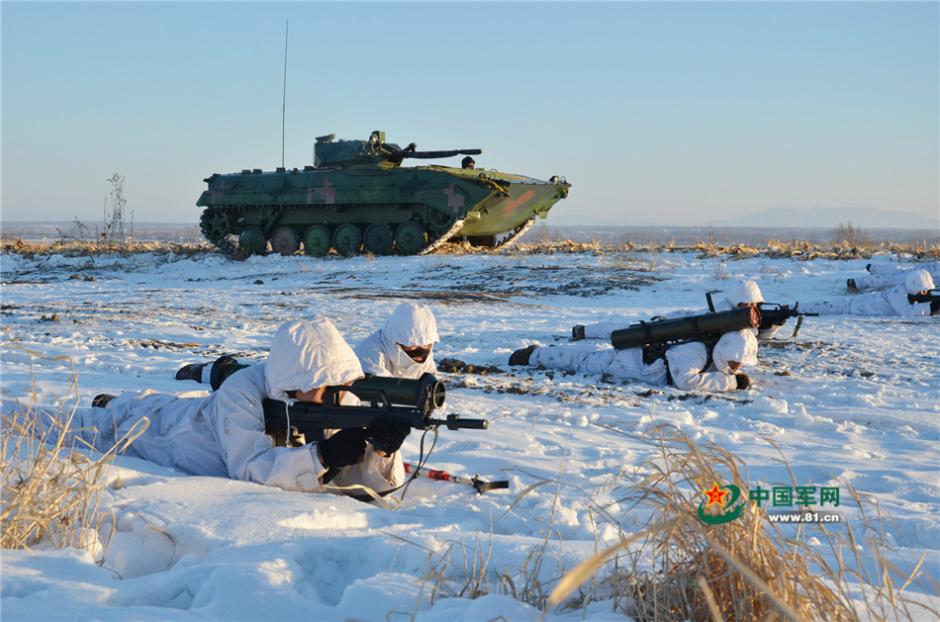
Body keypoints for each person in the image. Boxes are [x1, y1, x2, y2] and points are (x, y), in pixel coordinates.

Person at [70, 318, 408, 494]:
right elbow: (248, 468)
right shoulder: (242, 390)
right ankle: (112, 404)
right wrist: (322, 456)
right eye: (326, 387)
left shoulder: (331, 398)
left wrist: (382, 453)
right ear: (297, 381)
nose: (337, 396)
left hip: (195, 416)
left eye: (339, 387)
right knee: (96, 423)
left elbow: (363, 484)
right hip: (162, 431)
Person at [175, 302, 440, 387]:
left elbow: (429, 378)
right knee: (260, 379)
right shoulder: (372, 351)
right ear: (396, 343)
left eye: (424, 351)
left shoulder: (422, 351)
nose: (419, 356)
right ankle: (207, 371)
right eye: (413, 351)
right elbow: (382, 389)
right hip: (316, 379)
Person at [509, 329, 756, 393]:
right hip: (631, 363)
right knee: (580, 360)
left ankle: (538, 353)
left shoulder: (712, 350)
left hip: (636, 361)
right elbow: (686, 381)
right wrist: (731, 384)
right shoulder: (697, 351)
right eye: (735, 363)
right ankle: (532, 355)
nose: (736, 368)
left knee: (588, 354)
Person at [355, 303, 439, 379]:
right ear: (396, 341)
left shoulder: (426, 349)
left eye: (425, 345)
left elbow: (430, 378)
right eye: (411, 345)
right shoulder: (370, 352)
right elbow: (384, 387)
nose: (420, 352)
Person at [803, 269, 937, 316]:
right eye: (922, 291)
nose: (925, 294)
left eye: (927, 291)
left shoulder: (907, 292)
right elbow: (907, 312)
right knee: (823, 307)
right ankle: (794, 308)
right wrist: (932, 307)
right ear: (913, 288)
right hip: (856, 306)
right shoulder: (898, 293)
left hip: (860, 305)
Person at [847, 261, 940, 293]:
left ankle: (874, 269)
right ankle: (860, 282)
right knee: (896, 280)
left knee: (900, 274)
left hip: (930, 271)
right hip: (930, 273)